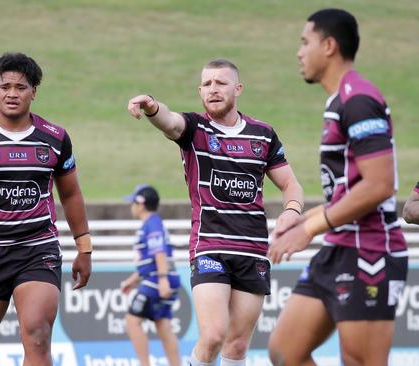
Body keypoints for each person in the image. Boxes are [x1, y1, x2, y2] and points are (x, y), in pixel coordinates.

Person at [127, 59, 304, 366]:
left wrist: (292, 210)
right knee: (212, 336)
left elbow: (290, 183)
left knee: (236, 347)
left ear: (238, 88)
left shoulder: (263, 135)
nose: (213, 89)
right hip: (210, 246)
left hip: (253, 250)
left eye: (220, 83)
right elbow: (170, 122)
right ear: (200, 91)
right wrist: (153, 108)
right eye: (207, 84)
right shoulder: (195, 128)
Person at [268, 9, 408, 366]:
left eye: (305, 42)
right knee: (285, 352)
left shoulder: (359, 100)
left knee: (360, 361)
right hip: (337, 247)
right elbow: (349, 192)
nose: (299, 52)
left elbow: (380, 186)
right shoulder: (340, 101)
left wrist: (311, 228)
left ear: (328, 46)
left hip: (370, 251)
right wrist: (300, 221)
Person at [0, 52, 92, 366]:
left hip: (37, 251)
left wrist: (84, 247)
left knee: (38, 334)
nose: (12, 93)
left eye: (21, 87)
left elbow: (71, 195)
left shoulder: (54, 139)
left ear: (34, 92)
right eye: (5, 87)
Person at [120, 184, 181, 366]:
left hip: (157, 280)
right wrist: (133, 280)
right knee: (163, 325)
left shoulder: (151, 223)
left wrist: (162, 280)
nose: (131, 206)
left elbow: (159, 253)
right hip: (164, 277)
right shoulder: (154, 222)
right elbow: (150, 260)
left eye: (133, 202)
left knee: (132, 321)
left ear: (141, 204)